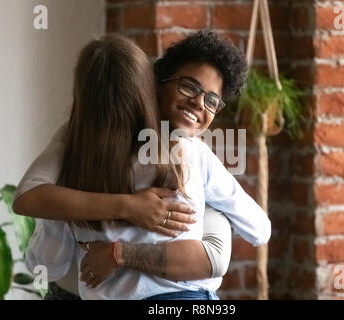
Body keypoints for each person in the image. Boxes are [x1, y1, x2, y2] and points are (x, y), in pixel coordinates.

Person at [14, 31, 270, 300]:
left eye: (212, 100)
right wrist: (136, 207)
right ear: (156, 85)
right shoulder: (192, 153)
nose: (198, 102)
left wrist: (211, 210)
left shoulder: (78, 159)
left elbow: (45, 262)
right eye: (190, 87)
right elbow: (257, 230)